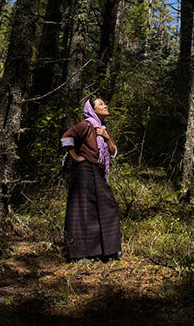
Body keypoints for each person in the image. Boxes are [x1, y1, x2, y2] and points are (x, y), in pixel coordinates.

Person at [60, 96, 122, 263]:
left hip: (97, 172)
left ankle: (108, 250)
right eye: (101, 104)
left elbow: (113, 151)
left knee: (107, 207)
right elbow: (66, 138)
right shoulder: (86, 125)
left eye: (104, 102)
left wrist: (107, 137)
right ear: (93, 110)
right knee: (84, 211)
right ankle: (81, 254)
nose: (105, 105)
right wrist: (75, 157)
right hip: (84, 171)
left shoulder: (102, 128)